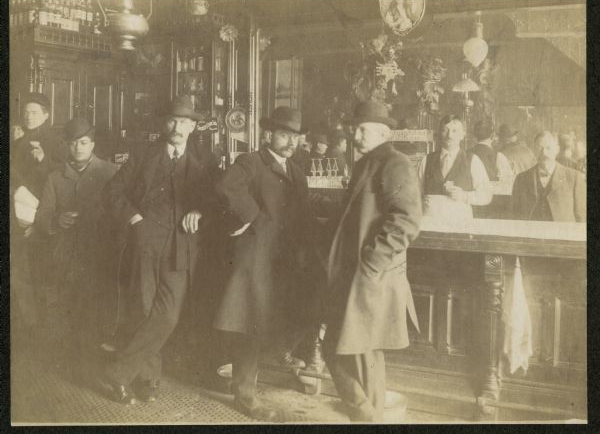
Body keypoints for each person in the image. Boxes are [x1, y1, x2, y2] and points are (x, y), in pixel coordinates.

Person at [102, 96, 219, 405]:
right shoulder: (143, 155)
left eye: (184, 122)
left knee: (167, 315)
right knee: (144, 309)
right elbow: (112, 191)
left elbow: (215, 198)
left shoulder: (207, 160)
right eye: (172, 120)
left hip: (181, 245)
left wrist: (199, 210)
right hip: (144, 241)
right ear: (164, 123)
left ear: (194, 126)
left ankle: (117, 372)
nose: (177, 127)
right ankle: (148, 379)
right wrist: (134, 216)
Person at [213, 106, 320, 421]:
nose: (291, 142)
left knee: (295, 312)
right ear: (268, 134)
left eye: (296, 136)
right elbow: (226, 187)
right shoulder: (252, 161)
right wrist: (254, 218)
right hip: (257, 255)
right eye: (285, 134)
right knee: (251, 323)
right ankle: (245, 394)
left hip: (284, 258)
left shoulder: (297, 172)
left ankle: (277, 367)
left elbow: (303, 216)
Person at [323, 100, 422, 422]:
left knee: (357, 354)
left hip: (370, 277)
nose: (356, 134)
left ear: (383, 132)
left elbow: (406, 220)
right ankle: (368, 416)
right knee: (355, 354)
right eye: (355, 128)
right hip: (355, 275)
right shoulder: (368, 163)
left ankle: (367, 417)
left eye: (363, 129)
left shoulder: (395, 163)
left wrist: (371, 263)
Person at [35, 118, 118, 372]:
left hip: (101, 251)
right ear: (66, 146)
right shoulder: (55, 177)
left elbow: (120, 212)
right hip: (67, 253)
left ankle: (93, 359)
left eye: (84, 143)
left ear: (93, 144)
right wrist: (58, 220)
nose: (78, 148)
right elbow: (42, 217)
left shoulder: (112, 172)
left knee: (98, 305)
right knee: (68, 304)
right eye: (73, 144)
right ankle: (72, 360)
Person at [11, 93, 68, 337]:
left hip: (41, 214)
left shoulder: (56, 139)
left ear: (46, 115)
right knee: (23, 270)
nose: (29, 116)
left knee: (42, 273)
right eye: (26, 112)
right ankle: (30, 325)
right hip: (20, 211)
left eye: (34, 112)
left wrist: (43, 160)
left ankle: (44, 327)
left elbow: (63, 176)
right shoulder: (19, 136)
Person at [417, 115, 492, 219]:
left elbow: (486, 195)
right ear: (439, 134)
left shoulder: (473, 161)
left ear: (463, 135)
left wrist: (464, 196)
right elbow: (415, 195)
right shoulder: (426, 160)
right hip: (430, 224)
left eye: (455, 131)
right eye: (445, 130)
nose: (449, 135)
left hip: (460, 225)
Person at [512, 131, 585, 222]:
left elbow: (581, 217)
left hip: (562, 234)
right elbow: (515, 215)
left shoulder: (574, 177)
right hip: (531, 232)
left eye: (548, 148)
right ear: (533, 150)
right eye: (539, 148)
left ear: (557, 150)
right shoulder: (521, 179)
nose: (544, 153)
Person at [469, 119, 513, 184]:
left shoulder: (465, 154)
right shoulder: (498, 156)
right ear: (492, 135)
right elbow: (508, 183)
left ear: (474, 136)